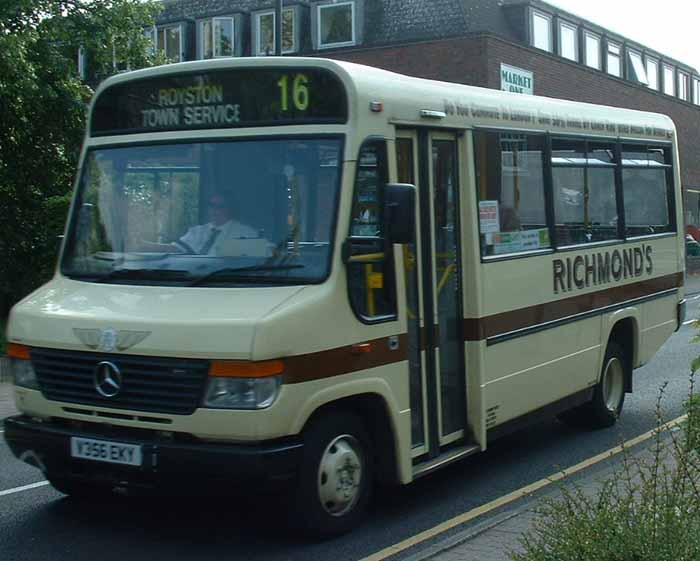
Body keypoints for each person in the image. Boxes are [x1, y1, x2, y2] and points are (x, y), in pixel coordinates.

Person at [174, 193, 261, 255]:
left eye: (220, 206)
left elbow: (267, 253)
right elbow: (176, 248)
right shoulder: (197, 231)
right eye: (211, 205)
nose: (214, 210)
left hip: (225, 278)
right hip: (191, 277)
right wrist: (160, 247)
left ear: (230, 208)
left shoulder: (246, 232)